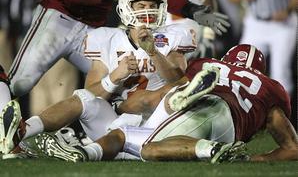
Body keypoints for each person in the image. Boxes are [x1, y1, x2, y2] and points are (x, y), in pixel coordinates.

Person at [0, 0, 198, 155]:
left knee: (156, 95)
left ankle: (82, 150)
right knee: (83, 97)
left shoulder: (173, 35)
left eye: (152, 5)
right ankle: (22, 131)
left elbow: (178, 81)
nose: (147, 11)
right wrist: (113, 78)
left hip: (160, 121)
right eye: (140, 5)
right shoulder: (108, 38)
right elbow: (90, 93)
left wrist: (153, 52)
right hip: (114, 121)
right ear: (125, 8)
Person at [6, 0, 230, 112]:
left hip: (92, 28)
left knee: (123, 83)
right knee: (20, 83)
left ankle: (124, 133)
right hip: (58, 19)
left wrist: (190, 9)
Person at [34, 44, 297, 163]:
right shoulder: (269, 87)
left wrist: (123, 105)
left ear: (227, 60)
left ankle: (83, 151)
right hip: (229, 126)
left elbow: (154, 97)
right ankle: (212, 147)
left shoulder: (209, 64)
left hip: (204, 105)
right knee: (141, 140)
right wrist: (255, 158)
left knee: (133, 133)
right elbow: (292, 148)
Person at [225, 0, 297, 94]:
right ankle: (246, 111)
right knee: (240, 68)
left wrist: (287, 10)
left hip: (282, 26)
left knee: (280, 74)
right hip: (255, 24)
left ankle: (284, 112)